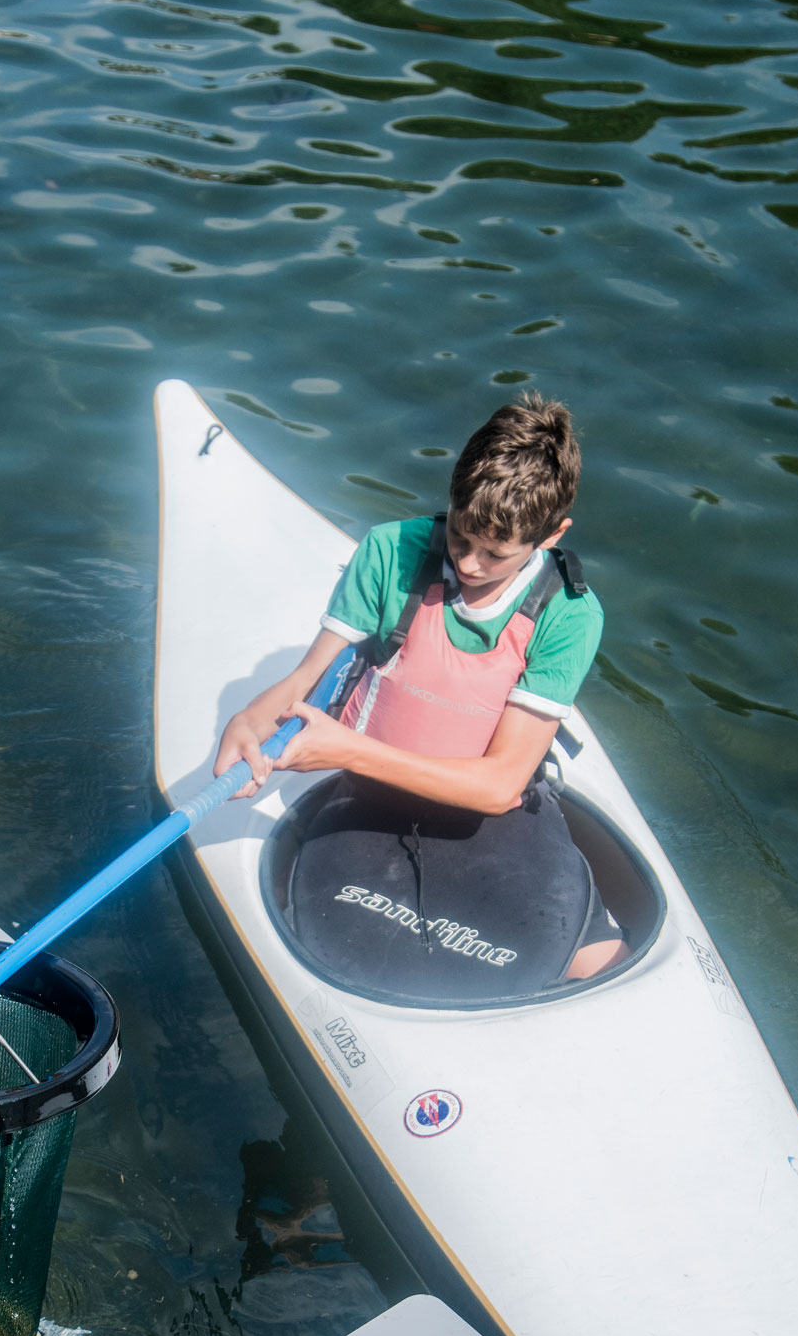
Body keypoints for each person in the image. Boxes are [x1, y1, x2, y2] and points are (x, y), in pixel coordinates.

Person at [212, 391, 627, 999]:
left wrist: (347, 750)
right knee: (318, 939)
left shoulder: (569, 614)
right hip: (366, 799)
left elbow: (500, 785)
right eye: (461, 537)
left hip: (490, 818)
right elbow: (303, 682)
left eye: (496, 553)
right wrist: (248, 721)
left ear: (551, 534)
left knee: (601, 963)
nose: (470, 563)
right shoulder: (389, 550)